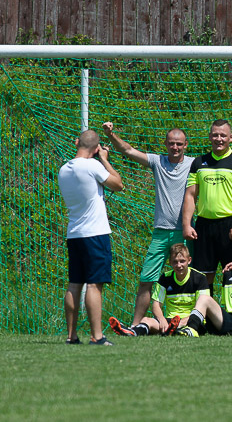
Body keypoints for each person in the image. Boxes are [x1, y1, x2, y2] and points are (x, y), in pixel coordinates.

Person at [102, 122, 194, 326]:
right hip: (160, 233)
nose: (175, 147)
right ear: (165, 144)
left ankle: (190, 324)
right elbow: (127, 150)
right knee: (146, 279)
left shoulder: (194, 164)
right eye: (171, 143)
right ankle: (135, 326)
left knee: (190, 278)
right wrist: (110, 134)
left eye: (179, 144)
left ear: (186, 145)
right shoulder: (157, 161)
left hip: (185, 232)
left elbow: (220, 165)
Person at [59, 129, 124, 346]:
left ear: (76, 142)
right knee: (95, 284)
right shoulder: (92, 166)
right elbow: (118, 184)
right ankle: (97, 335)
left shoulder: (64, 169)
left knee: (74, 283)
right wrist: (104, 160)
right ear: (96, 149)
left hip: (74, 234)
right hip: (95, 234)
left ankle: (71, 336)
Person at [181, 119, 232, 287]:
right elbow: (190, 195)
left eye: (223, 135)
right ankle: (205, 306)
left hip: (230, 225)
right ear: (209, 137)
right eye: (215, 135)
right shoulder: (199, 162)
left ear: (231, 138)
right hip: (204, 226)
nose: (219, 139)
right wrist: (186, 225)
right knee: (203, 277)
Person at [109, 243, 207, 337]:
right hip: (171, 322)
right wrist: (162, 320)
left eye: (182, 261)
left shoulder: (200, 278)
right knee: (146, 320)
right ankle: (132, 332)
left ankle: (177, 330)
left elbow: (203, 308)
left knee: (188, 323)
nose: (178, 265)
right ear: (170, 262)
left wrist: (182, 322)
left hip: (193, 322)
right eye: (175, 262)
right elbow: (156, 305)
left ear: (189, 260)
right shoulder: (165, 278)